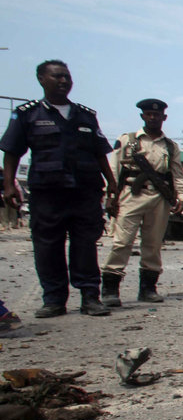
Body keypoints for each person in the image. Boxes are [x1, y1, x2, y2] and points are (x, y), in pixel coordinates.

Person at [1, 59, 117, 317]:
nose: (63, 81)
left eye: (66, 76)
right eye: (57, 76)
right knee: (47, 245)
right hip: (48, 191)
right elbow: (11, 152)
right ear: (42, 79)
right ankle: (53, 299)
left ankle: (90, 296)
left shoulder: (86, 115)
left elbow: (100, 154)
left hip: (85, 191)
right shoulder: (27, 114)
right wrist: (9, 185)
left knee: (85, 244)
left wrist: (112, 185)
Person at [100, 99, 183, 307]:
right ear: (142, 116)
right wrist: (110, 196)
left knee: (153, 244)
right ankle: (110, 288)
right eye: (148, 114)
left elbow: (177, 174)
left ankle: (148, 288)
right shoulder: (128, 140)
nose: (153, 117)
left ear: (164, 118)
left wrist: (181, 196)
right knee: (122, 242)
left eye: (157, 115)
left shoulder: (170, 145)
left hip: (159, 198)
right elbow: (113, 170)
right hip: (131, 194)